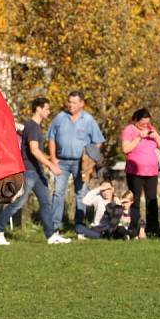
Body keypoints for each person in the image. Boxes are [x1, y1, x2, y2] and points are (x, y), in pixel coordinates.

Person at [0, 97, 62, 245]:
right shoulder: (32, 127)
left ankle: (51, 235)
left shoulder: (34, 127)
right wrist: (51, 165)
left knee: (45, 203)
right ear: (38, 108)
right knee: (18, 203)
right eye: (47, 108)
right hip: (30, 171)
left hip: (37, 172)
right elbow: (34, 150)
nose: (49, 111)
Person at [48, 90, 104, 243]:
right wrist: (53, 159)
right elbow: (51, 138)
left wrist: (91, 158)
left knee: (81, 195)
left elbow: (98, 141)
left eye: (73, 102)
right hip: (62, 162)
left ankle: (79, 228)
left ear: (81, 104)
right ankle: (54, 229)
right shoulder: (60, 117)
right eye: (69, 102)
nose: (70, 105)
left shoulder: (88, 120)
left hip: (81, 164)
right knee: (58, 194)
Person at [121, 108, 160, 238]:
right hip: (135, 172)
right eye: (142, 123)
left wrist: (156, 137)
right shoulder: (129, 130)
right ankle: (135, 229)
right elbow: (126, 148)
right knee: (136, 200)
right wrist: (139, 137)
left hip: (152, 171)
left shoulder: (151, 128)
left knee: (152, 200)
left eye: (147, 123)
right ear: (136, 120)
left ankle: (153, 229)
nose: (145, 125)